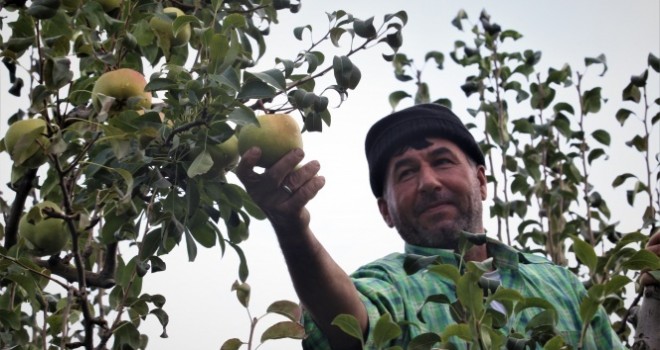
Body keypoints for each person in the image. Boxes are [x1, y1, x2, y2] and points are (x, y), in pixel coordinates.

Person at [235, 103, 659, 350]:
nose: (429, 182)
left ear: (481, 180)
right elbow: (347, 321)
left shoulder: (561, 287)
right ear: (386, 211)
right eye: (405, 173)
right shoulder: (391, 286)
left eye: (441, 161)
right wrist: (292, 227)